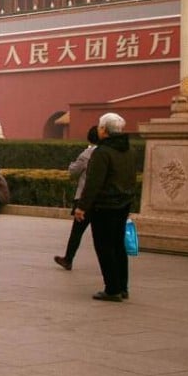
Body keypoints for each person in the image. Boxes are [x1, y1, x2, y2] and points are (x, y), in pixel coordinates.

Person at [74, 113, 137, 302]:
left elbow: (93, 183)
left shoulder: (102, 153)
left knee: (104, 246)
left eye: (100, 127)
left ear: (104, 130)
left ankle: (112, 288)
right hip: (123, 203)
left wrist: (82, 207)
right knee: (118, 245)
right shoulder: (130, 150)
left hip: (105, 206)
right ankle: (122, 286)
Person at [55, 126, 99, 271]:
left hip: (84, 199)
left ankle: (68, 259)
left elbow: (73, 171)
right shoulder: (112, 152)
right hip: (103, 200)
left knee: (77, 232)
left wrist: (71, 165)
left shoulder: (88, 153)